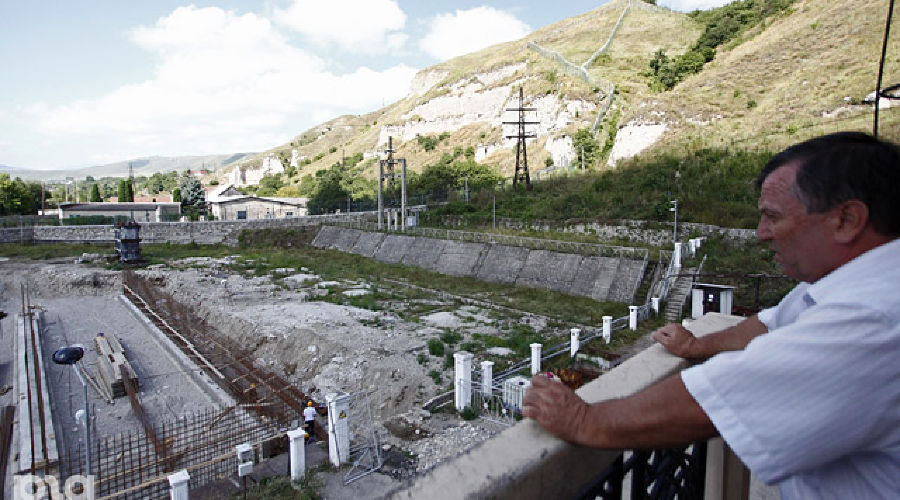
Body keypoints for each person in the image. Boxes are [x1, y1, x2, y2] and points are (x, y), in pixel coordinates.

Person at [522, 132, 900, 499]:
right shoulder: (854, 283)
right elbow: (767, 324)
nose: (760, 234)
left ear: (846, 220)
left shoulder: (873, 318)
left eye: (772, 216)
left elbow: (719, 401)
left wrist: (585, 421)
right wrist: (699, 344)